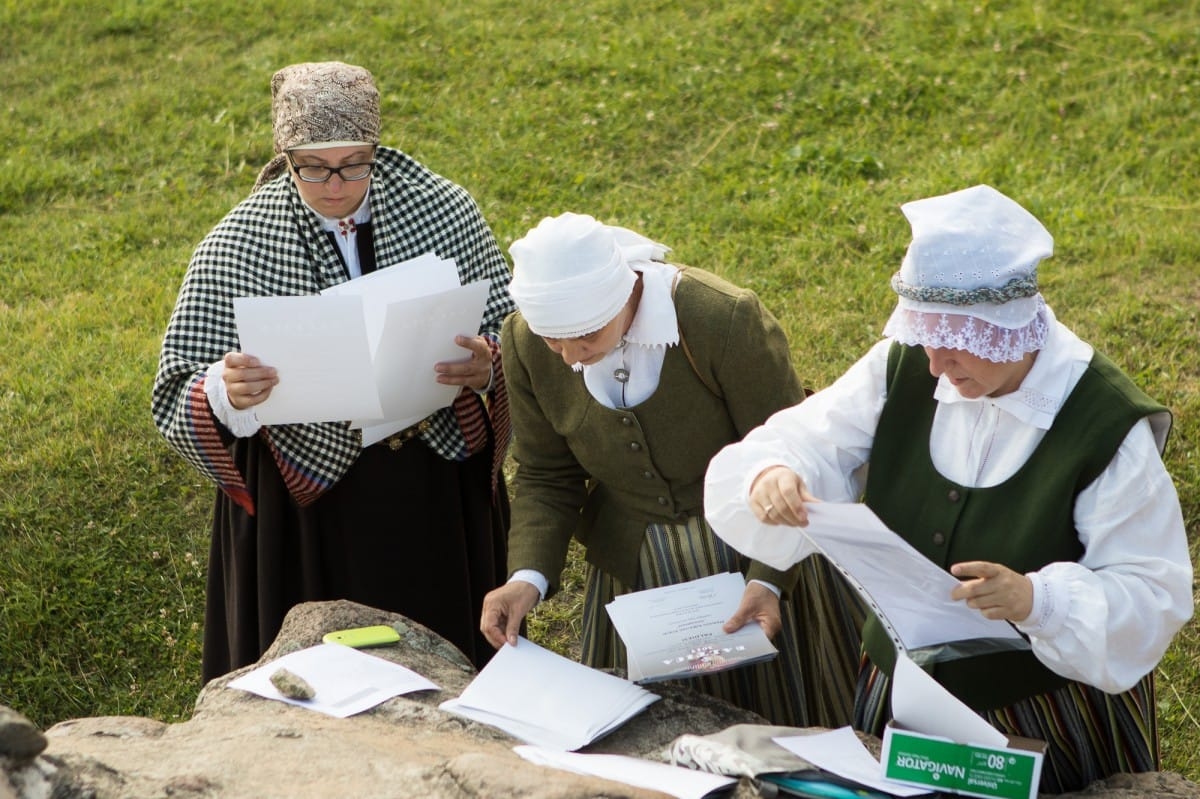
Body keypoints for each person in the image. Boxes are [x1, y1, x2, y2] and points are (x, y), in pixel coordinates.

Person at [704, 184, 1193, 792]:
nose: (935, 365)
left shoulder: (1103, 423)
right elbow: (809, 436)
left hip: (1042, 712)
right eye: (924, 338)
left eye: (956, 344)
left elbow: (1152, 592)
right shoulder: (908, 364)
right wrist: (773, 472)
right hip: (902, 695)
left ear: (1006, 329)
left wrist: (1036, 601)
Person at [152, 61, 516, 681]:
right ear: (285, 156)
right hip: (308, 512)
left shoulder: (444, 209)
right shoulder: (237, 241)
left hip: (432, 486)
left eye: (353, 164)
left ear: (377, 149)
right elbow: (173, 390)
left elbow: (516, 333)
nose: (334, 184)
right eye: (312, 167)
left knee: (449, 655)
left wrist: (487, 366)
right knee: (328, 674)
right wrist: (224, 389)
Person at [479, 212, 866, 728]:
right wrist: (526, 577)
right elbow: (546, 473)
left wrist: (771, 581)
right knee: (645, 733)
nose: (571, 356)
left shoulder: (721, 320)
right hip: (640, 566)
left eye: (586, 334)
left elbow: (795, 456)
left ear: (624, 295)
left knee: (784, 718)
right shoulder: (524, 341)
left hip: (758, 543)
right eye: (555, 341)